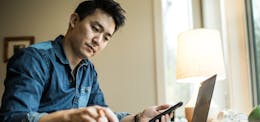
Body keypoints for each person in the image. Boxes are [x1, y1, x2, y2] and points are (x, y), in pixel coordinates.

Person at [0, 0, 172, 122]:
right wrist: (69, 116)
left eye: (106, 38)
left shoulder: (88, 70)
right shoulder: (33, 59)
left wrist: (138, 117)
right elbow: (14, 117)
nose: (98, 40)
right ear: (74, 20)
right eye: (95, 29)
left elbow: (103, 114)